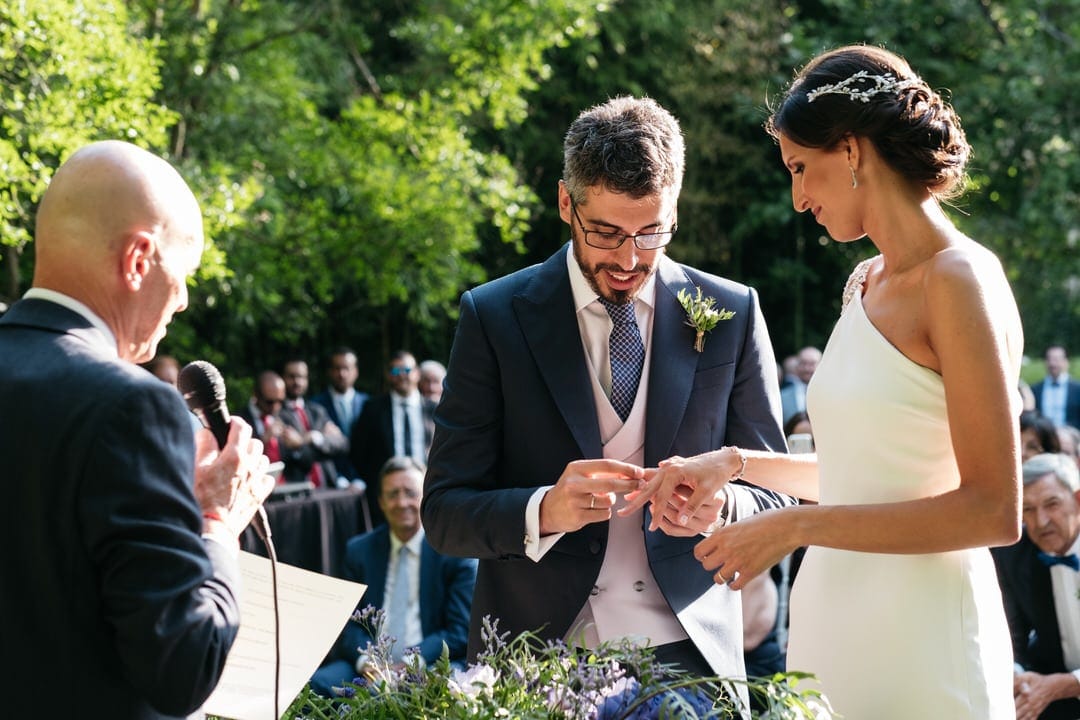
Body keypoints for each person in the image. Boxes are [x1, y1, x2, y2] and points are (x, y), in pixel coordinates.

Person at [624, 46, 1021, 718]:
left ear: (852, 151)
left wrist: (792, 532)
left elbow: (993, 509)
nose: (798, 198)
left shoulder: (958, 280)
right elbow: (867, 473)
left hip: (920, 642)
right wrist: (738, 464)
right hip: (835, 631)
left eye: (802, 168)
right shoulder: (862, 283)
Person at [421, 95, 793, 707]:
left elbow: (776, 490)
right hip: (535, 663)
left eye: (653, 232)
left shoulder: (732, 312)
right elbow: (444, 512)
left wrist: (725, 506)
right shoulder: (493, 317)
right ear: (567, 202)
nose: (629, 259)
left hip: (689, 661)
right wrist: (545, 509)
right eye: (606, 232)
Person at [0, 140, 274, 718]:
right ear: (138, 259)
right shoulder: (132, 408)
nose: (184, 300)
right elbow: (182, 667)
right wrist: (219, 520)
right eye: (186, 274)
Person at [310, 457, 476, 696]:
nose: (401, 502)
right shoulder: (359, 551)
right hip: (369, 666)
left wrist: (409, 663)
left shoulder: (455, 551)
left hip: (429, 663)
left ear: (426, 497)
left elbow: (459, 630)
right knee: (318, 684)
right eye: (392, 494)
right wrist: (369, 662)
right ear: (381, 502)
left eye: (410, 492)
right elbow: (345, 624)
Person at [993, 453, 1080, 720]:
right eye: (1028, 509)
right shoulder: (1013, 556)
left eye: (1051, 504)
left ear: (1078, 501)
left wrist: (1070, 683)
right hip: (1054, 695)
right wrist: (1019, 677)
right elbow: (1010, 635)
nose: (1040, 521)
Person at [350, 350, 436, 525]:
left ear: (417, 374)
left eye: (407, 370)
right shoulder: (372, 409)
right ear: (388, 375)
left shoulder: (435, 410)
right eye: (396, 371)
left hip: (427, 491)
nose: (402, 376)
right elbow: (359, 452)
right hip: (387, 497)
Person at [279, 357, 349, 488]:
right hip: (296, 487)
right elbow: (288, 456)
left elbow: (342, 444)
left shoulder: (317, 411)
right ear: (283, 378)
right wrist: (323, 443)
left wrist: (314, 438)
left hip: (328, 484)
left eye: (301, 377)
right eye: (292, 376)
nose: (297, 382)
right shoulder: (277, 414)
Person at [311, 346, 369, 483]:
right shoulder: (315, 406)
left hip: (364, 479)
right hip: (330, 478)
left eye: (346, 368)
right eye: (337, 368)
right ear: (330, 372)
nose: (342, 374)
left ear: (355, 372)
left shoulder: (368, 403)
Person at [236, 369, 288, 466]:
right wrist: (264, 439)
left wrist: (296, 445)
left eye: (280, 401)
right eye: (269, 402)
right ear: (255, 395)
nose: (276, 407)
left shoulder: (285, 415)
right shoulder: (240, 420)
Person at [1033, 345, 1080, 428]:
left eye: (1056, 359)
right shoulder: (1035, 389)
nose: (1052, 363)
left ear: (1066, 362)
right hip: (1044, 437)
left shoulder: (1077, 389)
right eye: (1049, 359)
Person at [779, 346, 821, 423]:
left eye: (812, 364)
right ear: (797, 366)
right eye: (803, 363)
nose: (807, 369)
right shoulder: (782, 397)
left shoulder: (831, 396)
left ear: (821, 365)